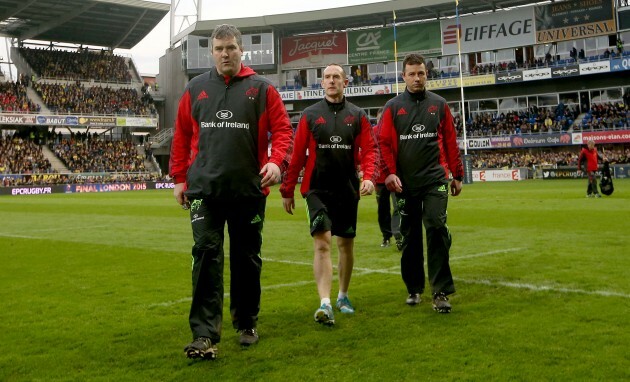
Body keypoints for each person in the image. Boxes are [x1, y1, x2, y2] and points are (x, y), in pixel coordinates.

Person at [169, 24, 293, 360]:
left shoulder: (262, 90)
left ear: (242, 51)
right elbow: (180, 137)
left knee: (246, 259)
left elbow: (283, 131)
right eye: (220, 49)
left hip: (248, 191)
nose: (226, 54)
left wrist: (277, 163)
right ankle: (204, 334)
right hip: (204, 191)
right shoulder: (195, 89)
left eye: (232, 48)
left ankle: (246, 321)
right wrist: (179, 178)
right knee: (206, 255)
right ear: (212, 53)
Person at [280, 63, 378, 326]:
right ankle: (324, 303)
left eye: (336, 77)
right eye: (327, 77)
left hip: (347, 189)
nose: (331, 81)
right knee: (322, 242)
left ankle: (342, 296)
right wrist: (287, 190)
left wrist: (368, 177)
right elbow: (297, 154)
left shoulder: (357, 116)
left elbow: (370, 150)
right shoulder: (310, 116)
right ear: (321, 83)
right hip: (317, 189)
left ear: (345, 82)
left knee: (345, 244)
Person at [377, 53, 464, 313]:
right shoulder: (393, 107)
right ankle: (414, 288)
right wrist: (390, 173)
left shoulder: (439, 105)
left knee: (436, 225)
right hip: (405, 183)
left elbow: (450, 141)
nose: (417, 78)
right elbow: (383, 143)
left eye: (421, 73)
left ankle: (440, 292)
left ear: (427, 75)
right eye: (412, 74)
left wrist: (457, 175)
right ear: (403, 77)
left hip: (435, 179)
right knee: (410, 236)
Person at [374, 108, 402, 250]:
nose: (381, 122)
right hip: (379, 178)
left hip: (395, 176)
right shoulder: (372, 132)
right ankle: (386, 236)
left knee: (398, 206)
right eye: (379, 120)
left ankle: (398, 236)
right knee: (382, 210)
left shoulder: (395, 131)